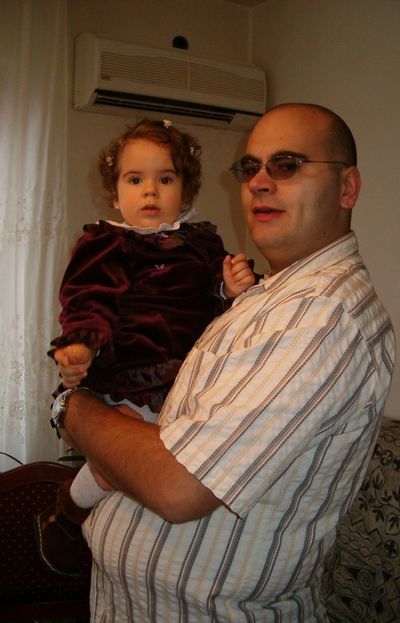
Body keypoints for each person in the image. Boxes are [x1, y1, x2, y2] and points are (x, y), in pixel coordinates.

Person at [54, 103, 395, 623]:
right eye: (250, 167)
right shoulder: (270, 298)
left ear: (347, 187)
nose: (259, 182)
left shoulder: (321, 315)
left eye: (287, 165)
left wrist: (71, 407)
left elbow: (179, 486)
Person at [35, 118, 255, 577]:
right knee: (125, 455)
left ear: (186, 193)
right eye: (135, 180)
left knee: (175, 456)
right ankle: (68, 512)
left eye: (165, 179)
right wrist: (82, 344)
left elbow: (214, 301)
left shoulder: (202, 243)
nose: (150, 191)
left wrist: (230, 287)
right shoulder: (108, 244)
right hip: (131, 373)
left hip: (189, 376)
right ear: (116, 195)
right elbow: (88, 299)